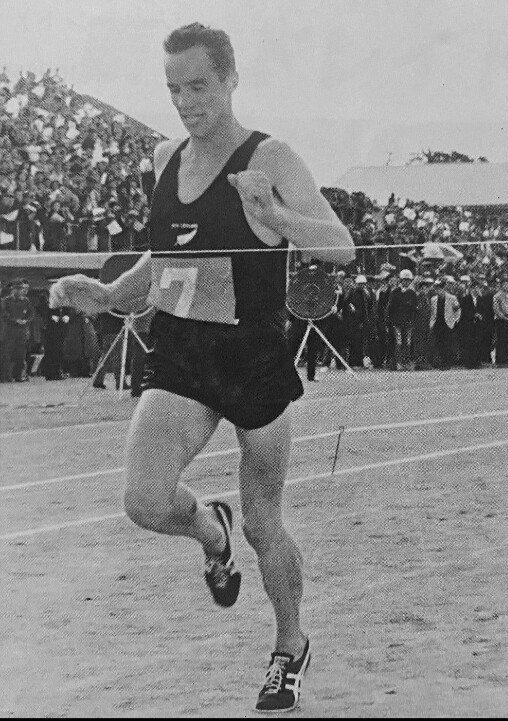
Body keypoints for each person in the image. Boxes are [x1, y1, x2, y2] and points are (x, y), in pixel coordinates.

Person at [49, 23, 355, 713]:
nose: (186, 102)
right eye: (174, 89)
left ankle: (289, 646)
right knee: (145, 501)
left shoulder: (269, 156)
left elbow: (340, 247)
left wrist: (275, 215)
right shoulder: (164, 157)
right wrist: (109, 294)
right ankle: (207, 530)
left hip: (253, 358)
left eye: (199, 86)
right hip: (182, 355)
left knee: (264, 523)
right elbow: (166, 257)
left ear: (231, 79)